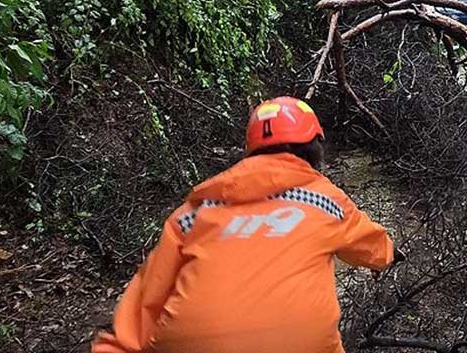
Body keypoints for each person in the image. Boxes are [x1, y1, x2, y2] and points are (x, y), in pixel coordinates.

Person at [91, 96, 397, 353]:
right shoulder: (325, 199)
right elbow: (374, 248)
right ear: (315, 146)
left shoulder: (196, 210)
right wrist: (390, 255)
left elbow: (145, 303)